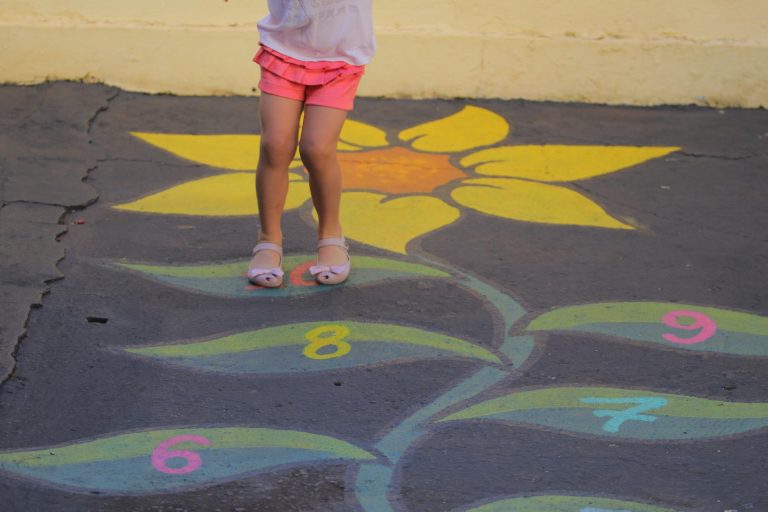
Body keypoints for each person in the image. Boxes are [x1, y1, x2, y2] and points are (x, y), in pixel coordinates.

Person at [245, 0, 376, 287]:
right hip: (284, 48)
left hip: (341, 56)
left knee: (317, 148)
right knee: (275, 144)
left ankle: (331, 234)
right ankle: (268, 238)